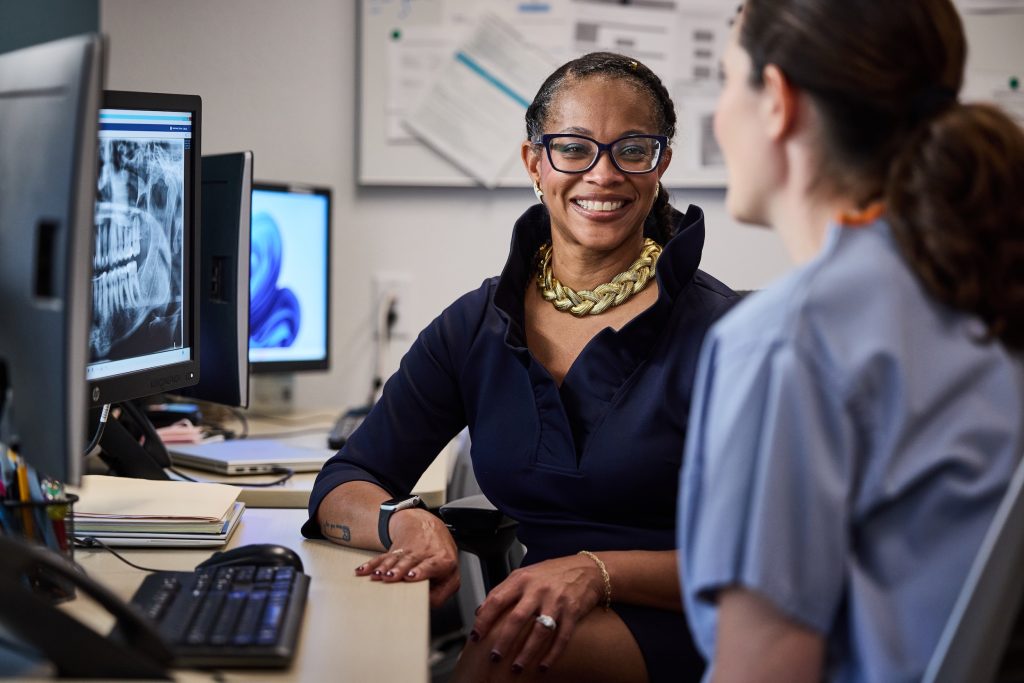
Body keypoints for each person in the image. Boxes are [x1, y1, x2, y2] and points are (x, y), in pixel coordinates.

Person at [301, 52, 736, 681]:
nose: (603, 174)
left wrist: (596, 571)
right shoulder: (479, 322)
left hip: (692, 616)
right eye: (575, 148)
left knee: (505, 655)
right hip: (538, 607)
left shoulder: (722, 334)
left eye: (632, 150)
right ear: (534, 162)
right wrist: (404, 520)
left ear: (661, 163)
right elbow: (346, 480)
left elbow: (768, 559)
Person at [677, 2, 1024, 681]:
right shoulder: (989, 279)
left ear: (776, 101)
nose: (719, 115)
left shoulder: (788, 341)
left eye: (724, 80)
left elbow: (764, 670)